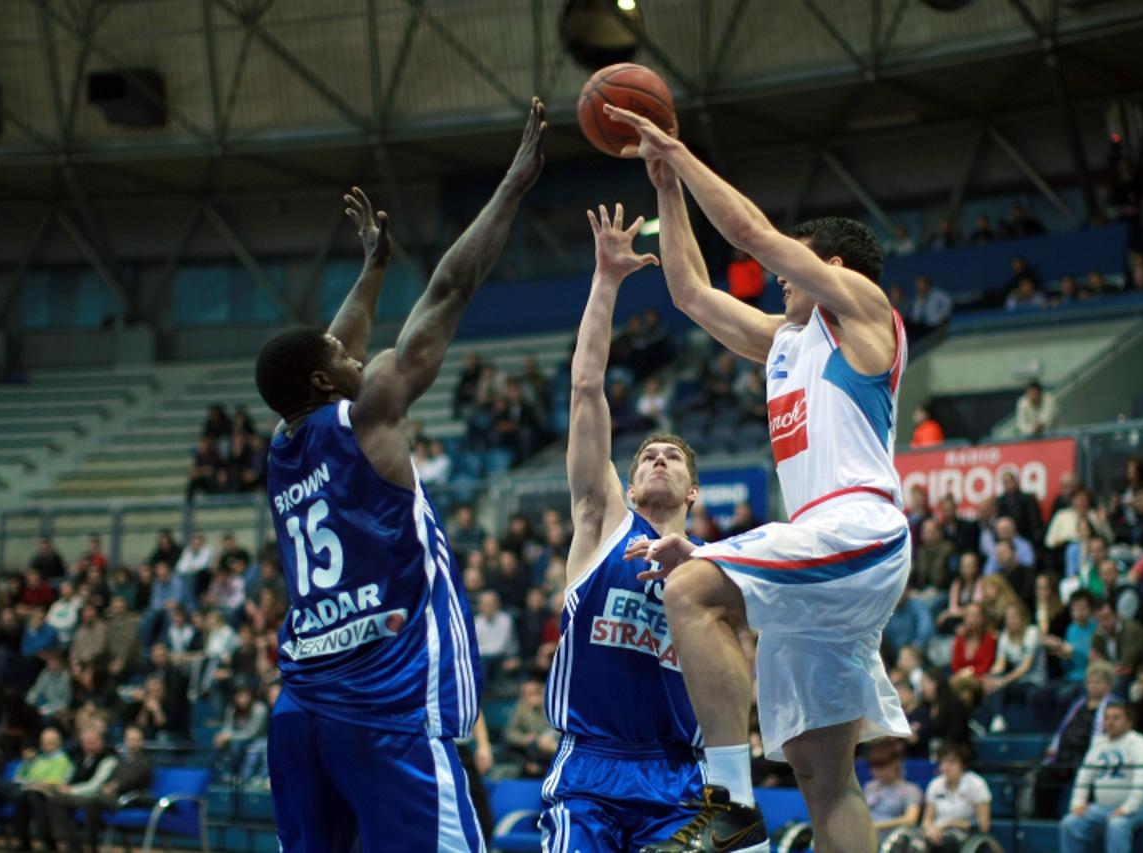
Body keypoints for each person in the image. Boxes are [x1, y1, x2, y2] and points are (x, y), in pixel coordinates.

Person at [613, 102, 911, 853]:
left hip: (858, 525)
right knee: (824, 776)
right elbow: (690, 294)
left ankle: (729, 799)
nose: (778, 281)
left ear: (831, 268)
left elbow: (751, 235)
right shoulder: (784, 341)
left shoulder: (865, 313)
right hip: (822, 560)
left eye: (793, 266)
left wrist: (677, 151)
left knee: (687, 588)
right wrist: (665, 188)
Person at [253, 101, 545, 852]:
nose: (359, 352)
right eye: (344, 359)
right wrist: (512, 186)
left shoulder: (280, 447)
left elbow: (328, 345)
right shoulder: (370, 409)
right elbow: (449, 289)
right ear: (327, 382)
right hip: (386, 702)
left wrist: (372, 268)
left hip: (301, 712)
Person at [535, 202, 708, 851]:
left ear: (692, 489)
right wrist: (605, 280)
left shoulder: (713, 562)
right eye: (645, 455)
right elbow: (586, 387)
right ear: (629, 483)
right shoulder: (603, 517)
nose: (657, 457)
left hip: (678, 774)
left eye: (672, 456)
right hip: (591, 767)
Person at [1059, 702, 1143, 853]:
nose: (1110, 722)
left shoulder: (1137, 742)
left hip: (1138, 808)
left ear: (1129, 722)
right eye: (1107, 718)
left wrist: (1128, 807)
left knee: (1117, 824)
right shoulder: (1099, 743)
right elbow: (1084, 775)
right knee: (1070, 823)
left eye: (1116, 718)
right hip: (1102, 807)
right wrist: (1077, 802)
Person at [40, 725, 153, 853]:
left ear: (142, 742)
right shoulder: (121, 760)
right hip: (106, 797)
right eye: (131, 739)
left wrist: (115, 785)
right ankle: (71, 842)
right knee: (56, 800)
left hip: (127, 800)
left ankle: (90, 845)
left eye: (137, 740)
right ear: (125, 741)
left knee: (92, 801)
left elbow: (132, 778)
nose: (134, 743)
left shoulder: (144, 762)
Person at [1035, 662, 1116, 819]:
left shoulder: (1113, 705)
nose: (1093, 686)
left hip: (1091, 756)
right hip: (1066, 755)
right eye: (1090, 682)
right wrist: (1055, 745)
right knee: (1044, 776)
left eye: (1098, 682)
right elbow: (1064, 727)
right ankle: (1043, 820)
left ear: (1109, 685)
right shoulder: (1078, 704)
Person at [985, 602, 1047, 733]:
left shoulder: (1032, 633)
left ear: (1023, 618)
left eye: (1014, 617)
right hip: (1017, 682)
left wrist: (1002, 681)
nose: (1010, 621)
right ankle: (997, 718)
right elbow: (1000, 665)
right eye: (1008, 618)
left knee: (1000, 684)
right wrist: (988, 678)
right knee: (993, 684)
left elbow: (1025, 666)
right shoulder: (1005, 636)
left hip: (1034, 681)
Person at [918, 743, 991, 852]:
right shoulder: (935, 784)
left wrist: (948, 824)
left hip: (963, 836)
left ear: (963, 764)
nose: (945, 767)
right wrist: (930, 829)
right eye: (942, 762)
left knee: (945, 844)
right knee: (913, 843)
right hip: (936, 833)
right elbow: (927, 820)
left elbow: (983, 825)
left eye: (951, 762)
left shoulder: (976, 784)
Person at [1089, 599, 1143, 698]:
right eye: (1099, 620)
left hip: (1140, 672)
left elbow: (1125, 667)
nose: (1103, 624)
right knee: (1089, 685)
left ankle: (1118, 712)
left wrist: (1104, 667)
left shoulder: (1131, 630)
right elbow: (1094, 661)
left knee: (1116, 685)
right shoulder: (1098, 633)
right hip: (1114, 674)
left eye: (1106, 618)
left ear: (1117, 615)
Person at [863, 740, 922, 840]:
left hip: (891, 838)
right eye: (873, 767)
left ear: (894, 765)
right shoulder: (869, 787)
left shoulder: (910, 790)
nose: (875, 772)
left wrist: (877, 825)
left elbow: (911, 819)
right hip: (866, 836)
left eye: (880, 767)